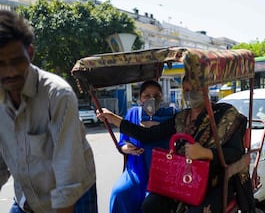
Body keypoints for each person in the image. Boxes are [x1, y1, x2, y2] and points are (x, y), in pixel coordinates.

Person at [97, 77, 256, 213]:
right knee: (150, 204)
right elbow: (147, 135)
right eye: (186, 90)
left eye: (194, 89)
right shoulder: (181, 117)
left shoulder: (226, 115)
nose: (190, 94)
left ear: (205, 89)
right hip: (180, 177)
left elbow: (235, 153)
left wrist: (205, 153)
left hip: (214, 181)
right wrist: (113, 119)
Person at [0, 10, 97, 213]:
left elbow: (68, 174)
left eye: (17, 61)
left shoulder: (58, 95)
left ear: (31, 53)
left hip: (74, 198)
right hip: (28, 199)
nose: (10, 72)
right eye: (0, 64)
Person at [110, 80, 177, 213]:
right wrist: (126, 149)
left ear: (162, 97)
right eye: (147, 96)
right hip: (136, 169)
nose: (152, 99)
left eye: (156, 96)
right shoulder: (133, 113)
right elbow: (122, 143)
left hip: (163, 171)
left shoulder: (172, 114)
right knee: (119, 192)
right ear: (140, 98)